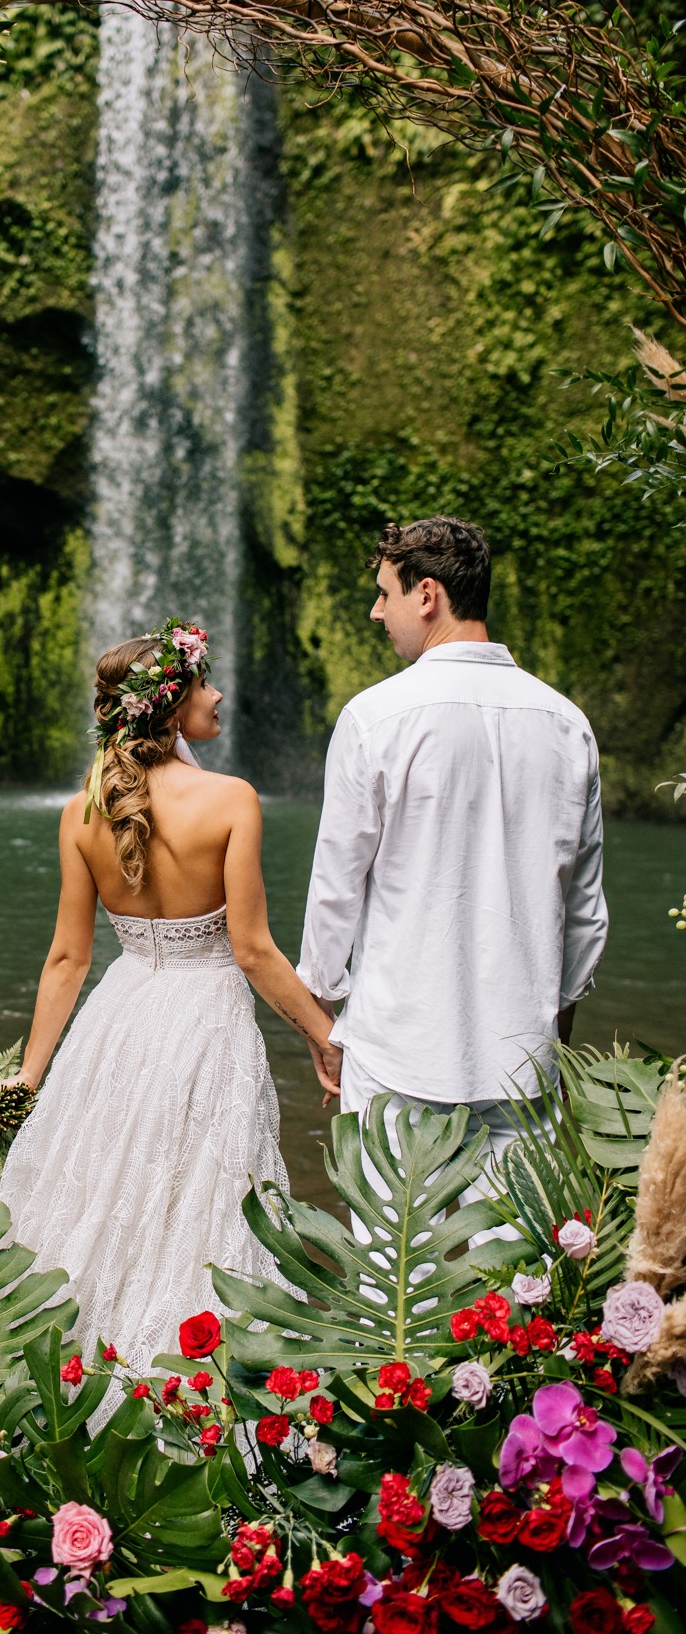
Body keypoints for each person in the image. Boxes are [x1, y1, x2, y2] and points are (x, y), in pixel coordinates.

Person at [0, 619, 339, 1376]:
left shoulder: (84, 810)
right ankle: (189, 1388)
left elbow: (69, 959)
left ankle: (68, 1376)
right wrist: (321, 1032)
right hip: (206, 1021)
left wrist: (31, 1076)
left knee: (105, 1191)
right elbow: (253, 950)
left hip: (120, 1017)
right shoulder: (232, 799)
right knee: (196, 1201)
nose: (219, 693)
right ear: (171, 707)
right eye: (205, 683)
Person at [297, 516, 609, 1206]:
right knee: (510, 1290)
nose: (377, 611)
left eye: (385, 594)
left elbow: (335, 891)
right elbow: (584, 914)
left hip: (398, 1050)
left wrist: (322, 1021)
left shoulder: (376, 718)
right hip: (521, 1062)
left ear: (428, 594)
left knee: (392, 1275)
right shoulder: (567, 723)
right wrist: (549, 1033)